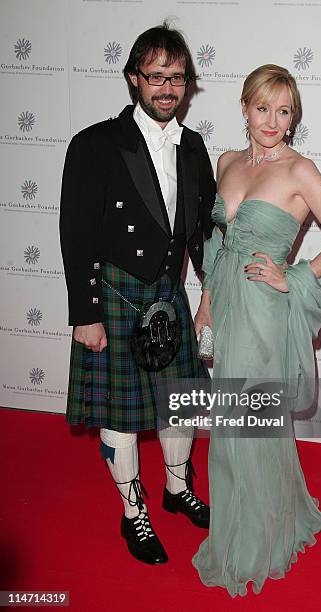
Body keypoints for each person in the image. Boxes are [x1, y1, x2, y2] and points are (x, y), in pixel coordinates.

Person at [192, 64, 321, 596]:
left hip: (265, 309)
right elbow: (218, 247)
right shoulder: (225, 162)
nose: (273, 121)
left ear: (293, 118)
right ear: (244, 108)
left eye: (284, 111)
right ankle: (242, 525)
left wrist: (293, 275)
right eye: (263, 108)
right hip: (227, 303)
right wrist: (206, 306)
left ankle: (257, 541)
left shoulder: (299, 170)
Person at [59, 23, 216, 566]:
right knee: (122, 416)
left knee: (180, 406)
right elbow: (75, 234)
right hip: (118, 297)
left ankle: (176, 488)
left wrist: (210, 298)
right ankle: (134, 514)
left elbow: (202, 234)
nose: (167, 88)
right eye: (156, 77)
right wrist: (86, 313)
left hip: (168, 297)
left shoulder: (194, 147)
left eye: (177, 77)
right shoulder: (96, 144)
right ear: (133, 79)